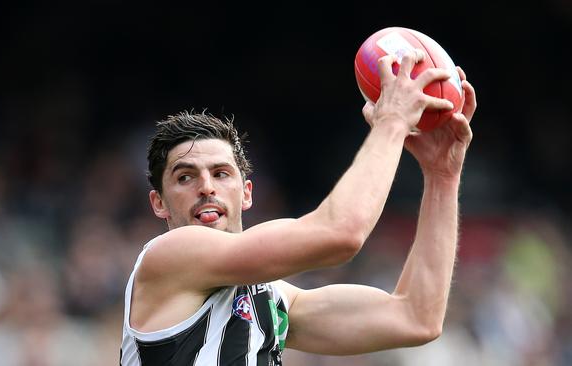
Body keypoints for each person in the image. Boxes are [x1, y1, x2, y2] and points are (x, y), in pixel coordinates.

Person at [119, 49, 476, 365]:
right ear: (159, 204)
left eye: (221, 173)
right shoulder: (167, 257)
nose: (207, 187)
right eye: (185, 177)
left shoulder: (275, 301)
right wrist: (393, 121)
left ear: (246, 193)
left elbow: (416, 318)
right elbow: (340, 234)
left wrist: (442, 176)